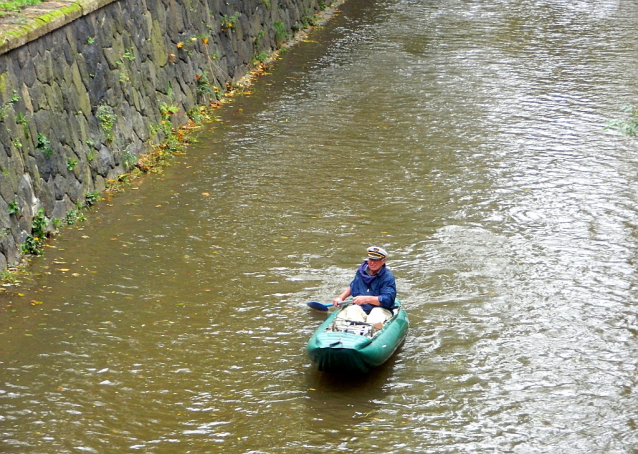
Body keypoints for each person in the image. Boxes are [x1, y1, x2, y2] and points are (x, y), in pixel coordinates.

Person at [333, 246, 397, 326]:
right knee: (352, 310)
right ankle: (352, 330)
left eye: (376, 260)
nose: (372, 263)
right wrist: (341, 297)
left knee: (376, 314)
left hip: (381, 309)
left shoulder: (388, 277)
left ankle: (370, 332)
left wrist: (366, 299)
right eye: (371, 259)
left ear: (383, 261)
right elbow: (353, 285)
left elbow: (388, 300)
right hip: (361, 307)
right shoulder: (361, 272)